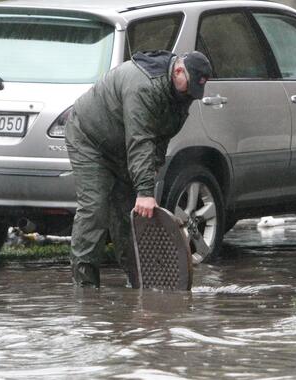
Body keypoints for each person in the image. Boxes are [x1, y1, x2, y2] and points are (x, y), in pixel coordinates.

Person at [64, 50, 212, 288]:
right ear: (177, 71)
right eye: (189, 86)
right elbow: (140, 139)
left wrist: (152, 170)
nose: (190, 94)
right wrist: (144, 192)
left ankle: (141, 285)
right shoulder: (144, 86)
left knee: (129, 216)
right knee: (95, 209)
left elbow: (160, 137)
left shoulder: (181, 94)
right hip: (89, 139)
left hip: (122, 145)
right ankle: (86, 291)